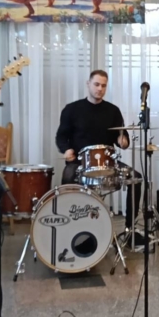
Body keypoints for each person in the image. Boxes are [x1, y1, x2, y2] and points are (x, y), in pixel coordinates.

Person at [55, 71, 138, 227]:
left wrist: (123, 141)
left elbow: (122, 137)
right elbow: (61, 136)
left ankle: (130, 229)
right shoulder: (72, 109)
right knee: (68, 177)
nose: (100, 89)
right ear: (88, 84)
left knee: (136, 179)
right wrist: (66, 150)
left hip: (108, 162)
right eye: (97, 84)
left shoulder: (113, 111)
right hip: (80, 162)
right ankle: (67, 224)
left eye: (103, 86)